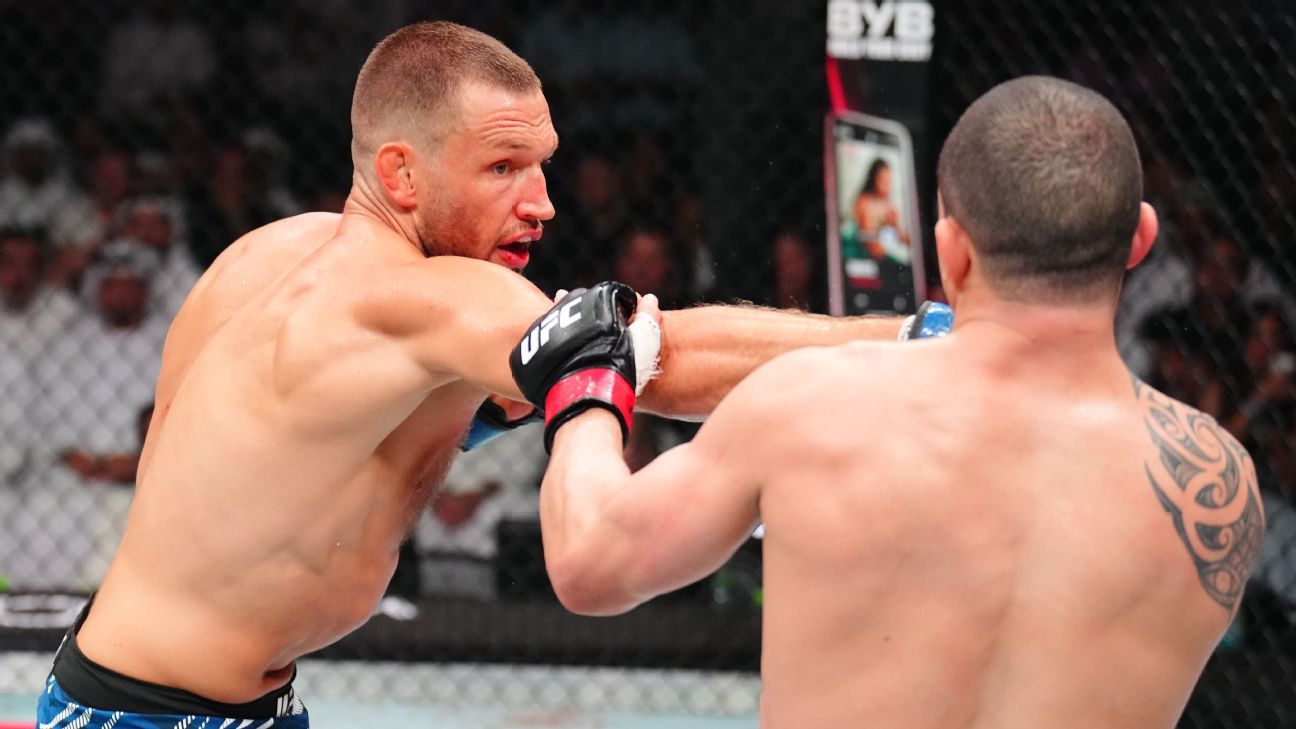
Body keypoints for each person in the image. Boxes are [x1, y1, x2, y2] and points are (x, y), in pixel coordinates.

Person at [40, 21, 912, 728]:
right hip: (157, 714)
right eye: (501, 168)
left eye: (542, 164)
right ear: (401, 173)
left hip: (132, 684)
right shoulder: (421, 300)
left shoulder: (272, 251)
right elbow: (649, 352)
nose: (543, 202)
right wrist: (916, 336)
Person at [515, 76, 1266, 728]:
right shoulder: (1220, 481)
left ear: (951, 249)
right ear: (1140, 238)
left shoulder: (809, 405)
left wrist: (587, 387)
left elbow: (590, 562)